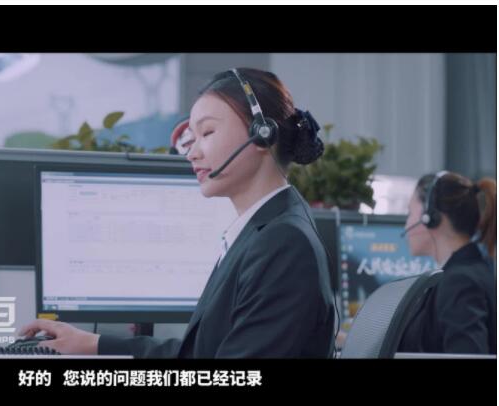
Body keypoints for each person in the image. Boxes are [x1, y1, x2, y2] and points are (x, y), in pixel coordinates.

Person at [20, 68, 336, 358]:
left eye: (207, 133)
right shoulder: (264, 229)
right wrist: (95, 344)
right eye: (191, 139)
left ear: (262, 134)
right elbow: (203, 352)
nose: (192, 153)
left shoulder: (283, 243)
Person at [399, 171, 497, 354]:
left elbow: (467, 356)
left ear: (430, 217)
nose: (406, 225)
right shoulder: (470, 271)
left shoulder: (460, 282)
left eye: (410, 213)